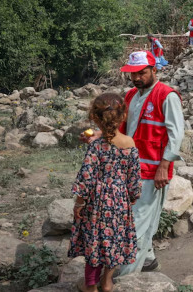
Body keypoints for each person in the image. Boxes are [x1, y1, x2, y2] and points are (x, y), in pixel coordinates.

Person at [82, 51, 184, 274]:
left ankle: (126, 278)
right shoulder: (130, 96)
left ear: (154, 70)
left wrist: (164, 168)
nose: (137, 78)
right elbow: (119, 128)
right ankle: (147, 260)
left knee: (134, 224)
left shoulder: (167, 96)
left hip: (151, 170)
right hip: (128, 169)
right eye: (133, 74)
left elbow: (176, 136)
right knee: (136, 218)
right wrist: (98, 136)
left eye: (142, 73)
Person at [69, 93, 142, 292]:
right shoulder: (130, 143)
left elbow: (86, 177)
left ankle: (90, 285)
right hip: (119, 202)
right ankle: (107, 282)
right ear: (123, 116)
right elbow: (134, 176)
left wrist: (79, 203)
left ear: (95, 117)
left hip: (96, 203)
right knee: (114, 240)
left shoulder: (96, 146)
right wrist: (133, 197)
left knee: (94, 243)